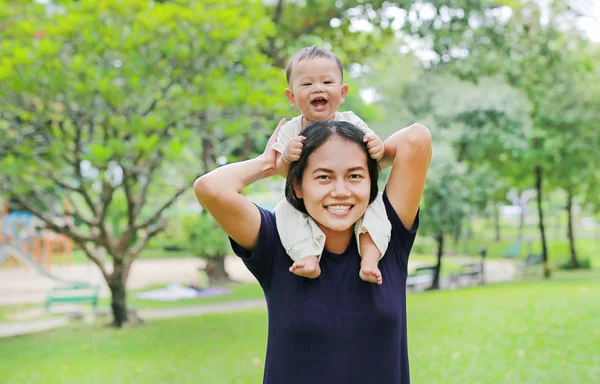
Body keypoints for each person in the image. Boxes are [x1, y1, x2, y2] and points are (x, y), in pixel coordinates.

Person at [193, 118, 432, 383]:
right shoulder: (275, 240)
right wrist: (271, 163)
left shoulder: (386, 237)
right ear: (298, 186)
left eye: (355, 176)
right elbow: (210, 188)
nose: (340, 192)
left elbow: (417, 138)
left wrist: (373, 158)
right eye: (323, 177)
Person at [272, 45, 389, 284]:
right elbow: (281, 171)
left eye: (327, 82)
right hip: (304, 198)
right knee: (284, 211)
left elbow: (372, 151)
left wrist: (378, 147)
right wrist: (286, 157)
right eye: (307, 84)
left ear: (342, 92)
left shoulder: (351, 122)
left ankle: (369, 258)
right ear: (292, 97)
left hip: (351, 199)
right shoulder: (290, 130)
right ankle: (307, 255)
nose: (318, 88)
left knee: (376, 208)